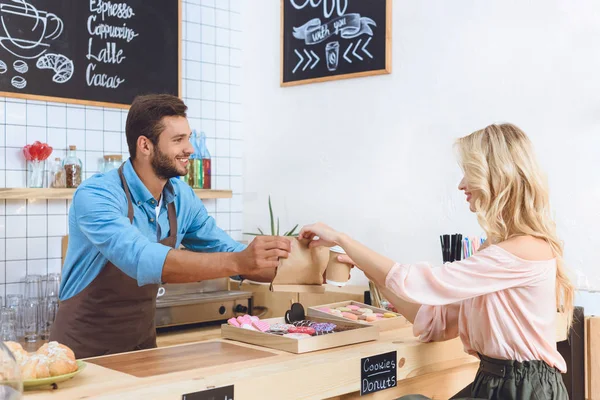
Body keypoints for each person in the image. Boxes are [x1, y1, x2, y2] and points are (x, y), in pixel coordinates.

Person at [299, 123, 571, 400]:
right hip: (494, 381)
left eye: (469, 172)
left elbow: (422, 283)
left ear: (497, 176)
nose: (461, 184)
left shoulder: (522, 250)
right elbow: (435, 323)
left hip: (522, 389)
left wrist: (343, 239)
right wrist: (368, 268)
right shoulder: (497, 249)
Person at [50, 94, 291, 359]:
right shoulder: (96, 195)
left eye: (188, 137)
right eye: (178, 140)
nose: (190, 149)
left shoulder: (181, 196)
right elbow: (141, 258)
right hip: (80, 353)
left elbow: (227, 249)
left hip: (141, 348)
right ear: (145, 145)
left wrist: (310, 267)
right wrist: (240, 261)